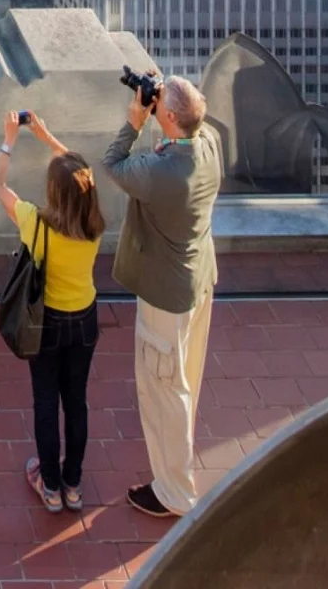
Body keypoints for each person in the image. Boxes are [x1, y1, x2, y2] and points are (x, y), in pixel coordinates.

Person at [104, 73, 221, 521]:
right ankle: (176, 476)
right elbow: (195, 118)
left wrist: (135, 121)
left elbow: (113, 164)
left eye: (159, 106)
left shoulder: (160, 173)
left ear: (167, 116)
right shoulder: (208, 145)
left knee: (164, 391)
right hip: (198, 282)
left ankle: (175, 492)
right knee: (184, 383)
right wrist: (169, 108)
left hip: (165, 296)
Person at [0, 111, 107, 514]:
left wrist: (11, 139)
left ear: (53, 193)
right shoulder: (94, 223)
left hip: (48, 324)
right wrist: (49, 138)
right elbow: (86, 175)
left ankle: (51, 485)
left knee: (46, 402)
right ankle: (74, 483)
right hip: (85, 320)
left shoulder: (36, 224)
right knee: (76, 401)